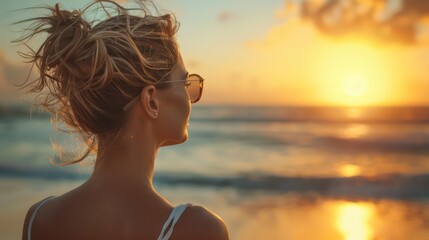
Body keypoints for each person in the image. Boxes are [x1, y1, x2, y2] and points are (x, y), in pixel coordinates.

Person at [17, 1, 229, 239]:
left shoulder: (39, 219)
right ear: (151, 101)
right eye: (186, 82)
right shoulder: (197, 229)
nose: (191, 96)